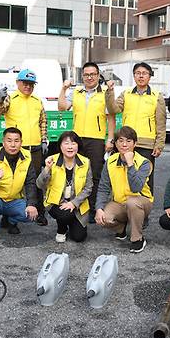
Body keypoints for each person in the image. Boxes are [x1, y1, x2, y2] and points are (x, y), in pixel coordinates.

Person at [58, 62, 115, 224]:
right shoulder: (76, 92)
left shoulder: (105, 92)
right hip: (77, 140)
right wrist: (63, 89)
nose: (89, 77)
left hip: (96, 139)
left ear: (98, 76)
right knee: (77, 173)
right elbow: (62, 107)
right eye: (86, 74)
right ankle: (77, 206)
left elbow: (110, 117)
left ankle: (93, 208)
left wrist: (110, 138)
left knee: (95, 174)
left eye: (93, 74)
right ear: (82, 76)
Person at [0, 69, 49, 226]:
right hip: (16, 147)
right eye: (25, 83)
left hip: (35, 147)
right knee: (13, 182)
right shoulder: (10, 99)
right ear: (17, 83)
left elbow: (43, 121)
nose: (28, 86)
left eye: (31, 84)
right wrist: (0, 98)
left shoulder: (37, 101)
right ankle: (9, 218)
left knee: (37, 181)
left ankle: (39, 212)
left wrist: (44, 140)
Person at [105, 62, 166, 194]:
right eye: (138, 73)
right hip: (126, 142)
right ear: (134, 76)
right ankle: (124, 207)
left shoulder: (156, 96)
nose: (141, 76)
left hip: (146, 143)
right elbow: (113, 109)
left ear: (150, 76)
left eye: (144, 73)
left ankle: (144, 209)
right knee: (124, 176)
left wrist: (159, 144)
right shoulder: (126, 94)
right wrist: (110, 92)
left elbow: (160, 123)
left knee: (146, 178)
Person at [95, 126, 153, 253]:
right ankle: (121, 227)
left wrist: (130, 163)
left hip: (141, 202)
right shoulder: (110, 161)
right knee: (105, 217)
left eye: (128, 141)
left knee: (132, 203)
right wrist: (99, 208)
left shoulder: (144, 163)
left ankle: (137, 239)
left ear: (135, 143)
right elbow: (103, 188)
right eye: (120, 141)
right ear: (115, 143)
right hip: (120, 203)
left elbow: (136, 187)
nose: (124, 144)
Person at [0, 127, 39, 243]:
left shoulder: (27, 157)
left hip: (14, 199)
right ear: (3, 142)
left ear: (21, 143)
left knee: (31, 215)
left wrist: (31, 204)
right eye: (9, 140)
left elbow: (30, 182)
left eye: (16, 141)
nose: (13, 145)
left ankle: (11, 221)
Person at [37, 131, 93, 243]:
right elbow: (39, 184)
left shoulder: (85, 162)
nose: (70, 147)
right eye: (66, 143)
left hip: (77, 204)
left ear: (78, 146)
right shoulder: (52, 160)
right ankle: (61, 229)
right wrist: (47, 169)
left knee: (79, 237)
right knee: (65, 214)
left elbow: (88, 188)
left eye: (73, 143)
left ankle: (71, 222)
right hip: (56, 202)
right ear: (60, 146)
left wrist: (73, 203)